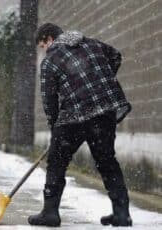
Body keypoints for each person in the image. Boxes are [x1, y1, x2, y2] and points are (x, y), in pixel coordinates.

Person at [28, 23, 133, 227]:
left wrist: (54, 129)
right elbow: (116, 56)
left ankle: (50, 213)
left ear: (49, 39)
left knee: (57, 163)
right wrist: (97, 81)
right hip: (104, 111)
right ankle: (122, 214)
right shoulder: (93, 44)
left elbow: (49, 100)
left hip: (73, 117)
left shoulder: (50, 61)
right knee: (107, 161)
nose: (44, 50)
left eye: (42, 45)